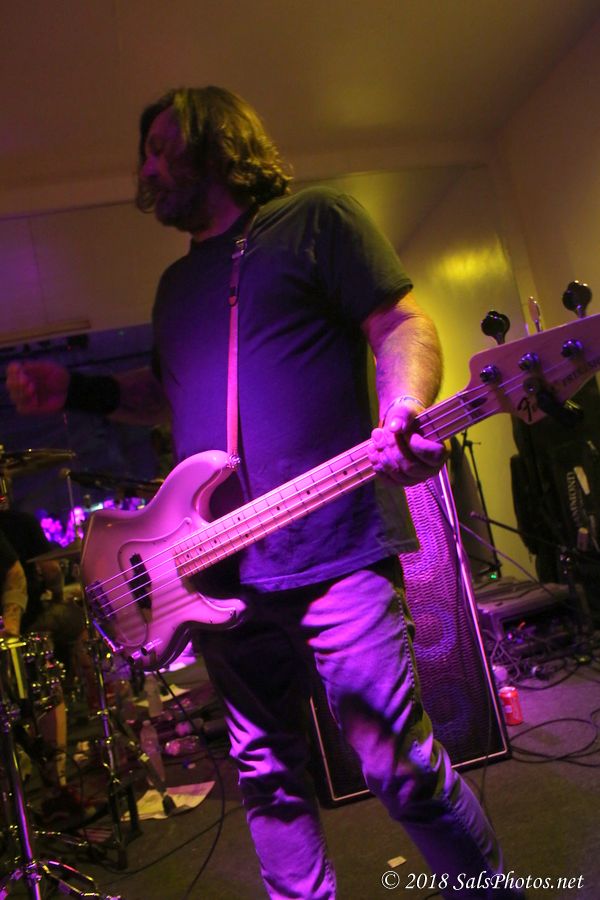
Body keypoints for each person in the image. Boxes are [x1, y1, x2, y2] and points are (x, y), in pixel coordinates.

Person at [7, 86, 523, 898]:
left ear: (218, 142)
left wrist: (402, 408)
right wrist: (75, 388)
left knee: (395, 762)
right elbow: (161, 393)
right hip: (220, 576)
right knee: (267, 777)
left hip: (335, 548)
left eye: (162, 148)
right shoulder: (176, 287)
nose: (147, 169)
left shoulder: (317, 221)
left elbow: (402, 324)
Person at [0, 478, 95, 826]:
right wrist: (56, 595)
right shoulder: (21, 521)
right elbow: (51, 571)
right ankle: (95, 709)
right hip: (31, 618)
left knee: (44, 665)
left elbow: (14, 575)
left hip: (17, 626)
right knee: (76, 623)